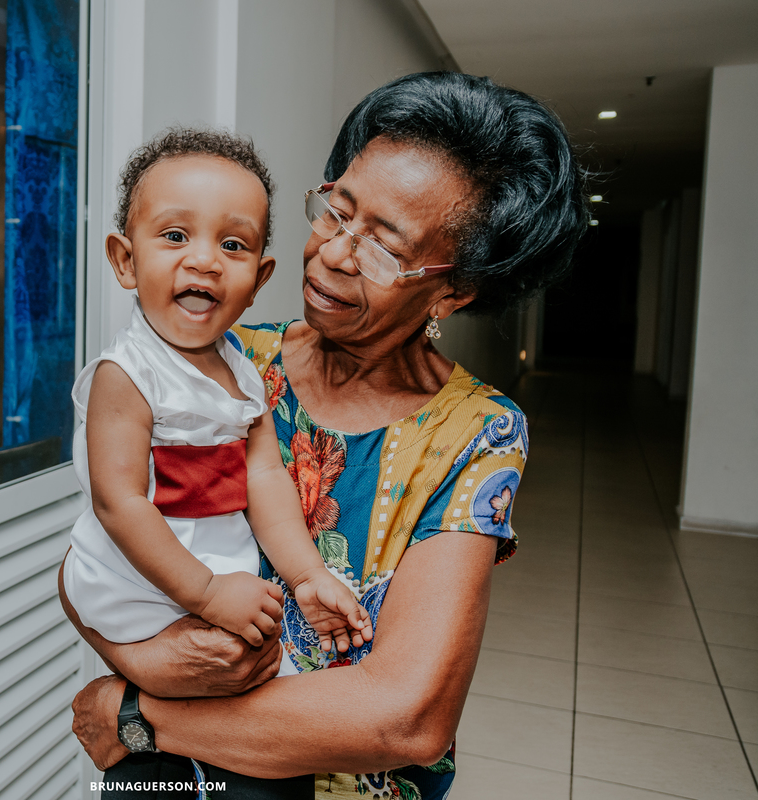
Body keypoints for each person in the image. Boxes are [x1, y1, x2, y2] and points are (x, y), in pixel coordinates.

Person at [64, 71, 588, 799]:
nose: (337, 254)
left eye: (384, 248)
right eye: (335, 212)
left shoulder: (476, 431)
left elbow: (406, 718)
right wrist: (145, 659)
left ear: (454, 290)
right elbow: (94, 550)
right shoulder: (227, 359)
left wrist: (136, 712)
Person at [64, 128, 373, 699]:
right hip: (142, 582)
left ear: (257, 280)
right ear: (124, 260)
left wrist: (308, 576)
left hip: (218, 579)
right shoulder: (125, 376)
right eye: (176, 235)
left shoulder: (241, 370)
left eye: (233, 245)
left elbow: (263, 477)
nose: (205, 260)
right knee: (219, 704)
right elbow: (119, 503)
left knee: (253, 693)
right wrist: (206, 593)